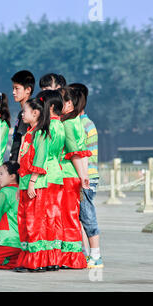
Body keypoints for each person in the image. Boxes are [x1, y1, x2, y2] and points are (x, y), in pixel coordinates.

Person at [14, 97, 51, 272]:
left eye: (25, 111)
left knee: (33, 222)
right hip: (24, 184)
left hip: (35, 185)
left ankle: (36, 261)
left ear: (35, 113)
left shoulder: (41, 134)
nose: (22, 114)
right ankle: (26, 258)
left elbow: (40, 160)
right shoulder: (28, 133)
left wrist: (32, 183)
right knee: (23, 222)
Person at [70, 83, 103, 269]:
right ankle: (83, 253)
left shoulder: (83, 124)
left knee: (87, 215)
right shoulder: (80, 123)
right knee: (79, 216)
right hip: (81, 177)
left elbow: (79, 153)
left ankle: (96, 255)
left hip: (87, 177)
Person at [59, 86, 91, 269]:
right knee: (70, 216)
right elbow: (82, 152)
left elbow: (75, 153)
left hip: (67, 175)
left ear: (69, 104)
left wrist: (83, 177)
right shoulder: (76, 121)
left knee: (68, 217)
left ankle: (71, 257)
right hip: (72, 175)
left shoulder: (68, 124)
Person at [37, 90, 66, 271]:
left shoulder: (47, 128)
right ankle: (55, 257)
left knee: (43, 217)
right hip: (57, 172)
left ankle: (43, 257)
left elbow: (41, 154)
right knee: (54, 217)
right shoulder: (61, 126)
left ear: (52, 107)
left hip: (45, 174)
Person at [9, 70, 35, 162]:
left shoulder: (29, 112)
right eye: (13, 88)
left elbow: (24, 141)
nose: (13, 92)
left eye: (17, 88)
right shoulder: (22, 113)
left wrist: (19, 164)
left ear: (28, 90)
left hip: (20, 163)